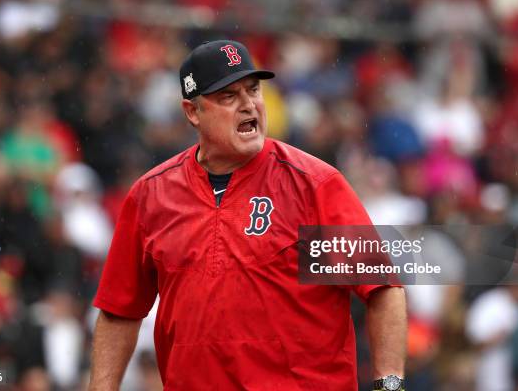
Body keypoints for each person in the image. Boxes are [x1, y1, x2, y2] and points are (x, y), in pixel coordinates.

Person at [89, 40, 407, 391]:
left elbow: (382, 288)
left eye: (253, 89)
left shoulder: (314, 185)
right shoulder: (151, 195)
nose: (249, 105)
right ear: (193, 112)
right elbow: (120, 310)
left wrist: (389, 385)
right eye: (228, 96)